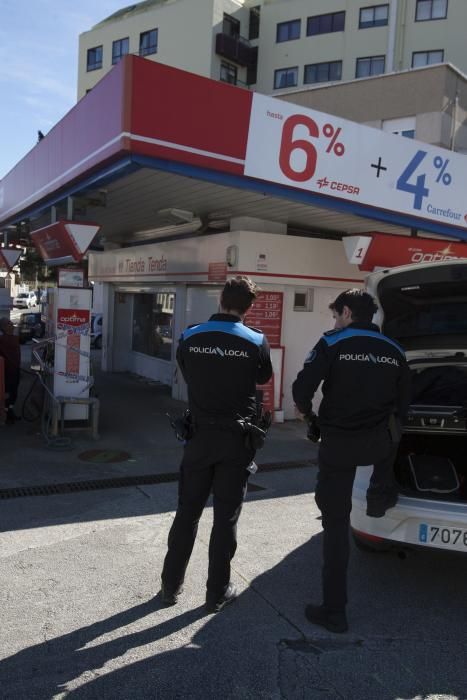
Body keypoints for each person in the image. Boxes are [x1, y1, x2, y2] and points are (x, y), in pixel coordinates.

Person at [292, 289, 411, 633]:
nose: (334, 321)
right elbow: (403, 408)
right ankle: (379, 493)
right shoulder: (396, 350)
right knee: (385, 456)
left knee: (334, 523)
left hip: (339, 445)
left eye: (335, 315)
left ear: (346, 312)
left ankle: (334, 610)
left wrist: (309, 417)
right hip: (377, 446)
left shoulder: (333, 342)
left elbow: (302, 389)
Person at [160, 276, 273, 613]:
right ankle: (217, 592)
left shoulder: (191, 335)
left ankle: (170, 587)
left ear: (221, 300)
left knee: (187, 513)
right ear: (248, 307)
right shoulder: (256, 340)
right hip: (236, 441)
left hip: (200, 437)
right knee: (226, 518)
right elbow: (263, 378)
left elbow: (186, 370)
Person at [0, 317, 21, 423]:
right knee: (9, 393)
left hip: (16, 370)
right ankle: (6, 413)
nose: (12, 326)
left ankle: (10, 411)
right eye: (9, 324)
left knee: (14, 393)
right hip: (8, 372)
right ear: (4, 327)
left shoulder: (15, 338)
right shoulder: (2, 340)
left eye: (12, 324)